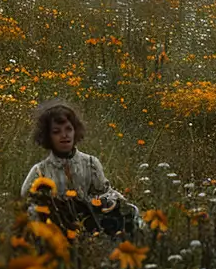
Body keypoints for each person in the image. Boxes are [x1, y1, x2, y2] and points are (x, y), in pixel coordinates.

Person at [20, 98, 142, 236]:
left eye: (68, 129)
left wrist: (110, 202)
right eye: (56, 131)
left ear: (75, 131)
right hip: (55, 230)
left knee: (130, 216)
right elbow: (26, 202)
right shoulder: (40, 170)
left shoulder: (90, 163)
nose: (64, 135)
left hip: (91, 226)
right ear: (47, 136)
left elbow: (105, 191)